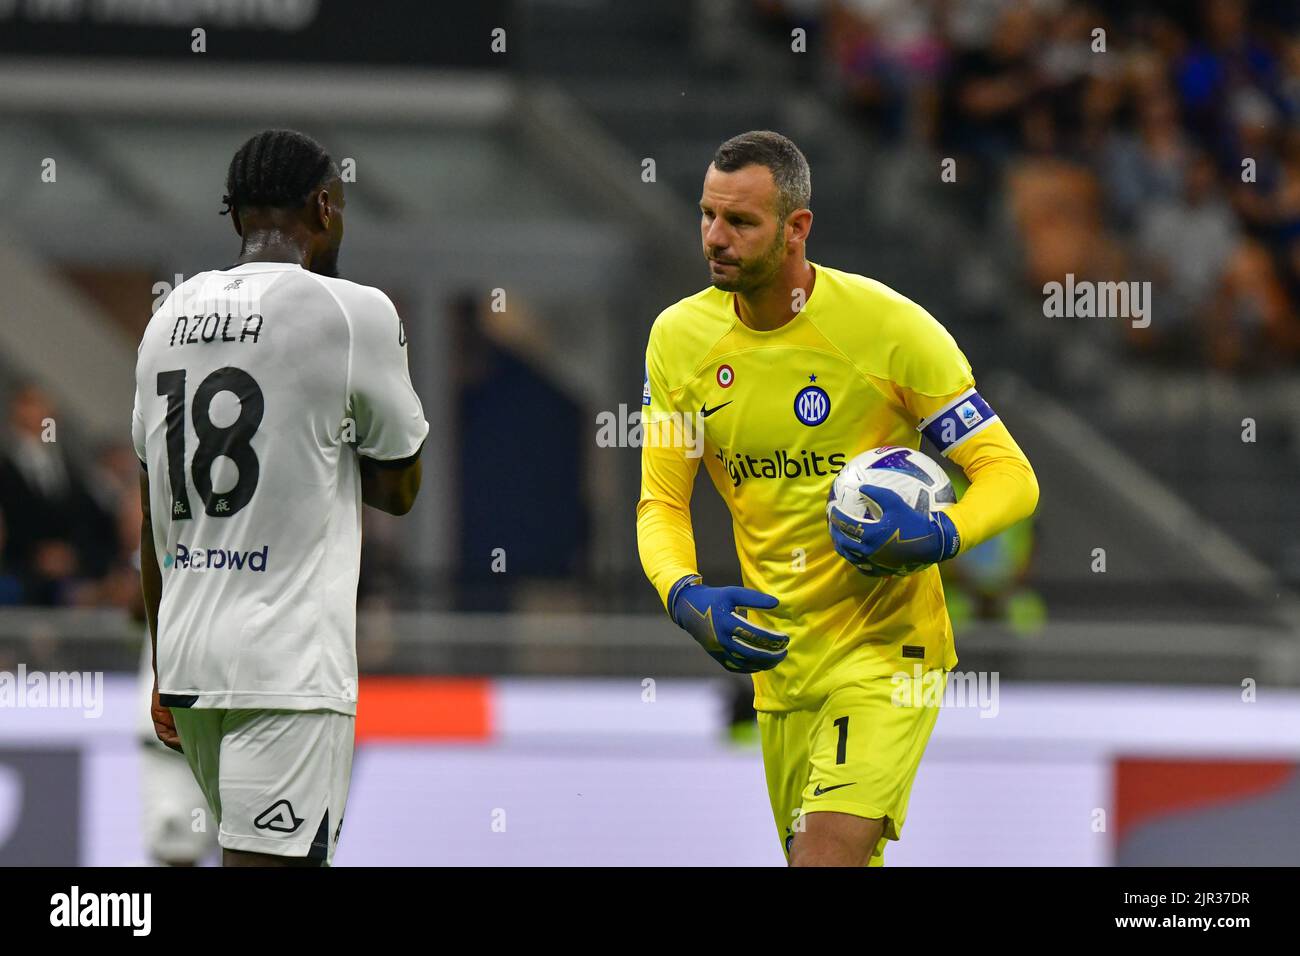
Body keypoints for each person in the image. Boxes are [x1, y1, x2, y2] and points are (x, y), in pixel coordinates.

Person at [637, 131, 1038, 866]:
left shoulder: (890, 329)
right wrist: (685, 595)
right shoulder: (678, 341)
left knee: (822, 859)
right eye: (707, 216)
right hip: (780, 662)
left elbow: (1011, 475)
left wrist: (942, 534)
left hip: (890, 652)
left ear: (797, 228)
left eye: (741, 223)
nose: (716, 239)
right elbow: (660, 503)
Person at [133, 129, 427, 867]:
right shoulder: (354, 311)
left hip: (189, 658)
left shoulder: (167, 318)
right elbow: (400, 487)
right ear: (325, 207)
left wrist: (166, 666)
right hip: (288, 667)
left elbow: (152, 510)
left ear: (234, 216)